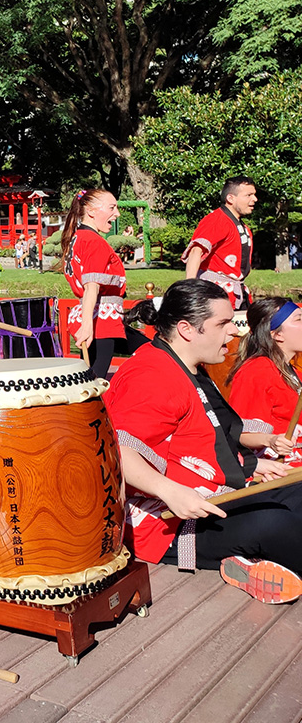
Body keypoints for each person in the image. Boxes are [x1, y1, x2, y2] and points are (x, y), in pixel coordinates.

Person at [108, 279, 302, 603]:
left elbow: (205, 437)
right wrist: (169, 490)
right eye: (223, 323)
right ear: (187, 329)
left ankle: (245, 560)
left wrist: (254, 463)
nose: (234, 331)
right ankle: (247, 556)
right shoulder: (150, 375)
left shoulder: (188, 366)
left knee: (296, 494)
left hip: (216, 496)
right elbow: (118, 450)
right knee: (277, 523)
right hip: (171, 521)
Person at [60, 188, 147, 378]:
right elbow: (92, 286)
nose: (117, 213)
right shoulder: (93, 241)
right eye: (111, 208)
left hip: (98, 316)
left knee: (151, 350)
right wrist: (87, 326)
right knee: (95, 380)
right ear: (91, 211)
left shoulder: (76, 238)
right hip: (100, 320)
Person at [228, 298, 302, 467]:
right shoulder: (256, 371)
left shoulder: (293, 371)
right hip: (279, 469)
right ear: (277, 334)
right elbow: (241, 432)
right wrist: (271, 440)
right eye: (298, 319)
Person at [184, 177, 257, 309]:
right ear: (231, 198)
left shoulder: (241, 226)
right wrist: (189, 289)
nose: (255, 199)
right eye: (248, 195)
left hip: (234, 291)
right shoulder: (217, 220)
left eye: (254, 194)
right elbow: (196, 251)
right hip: (214, 295)